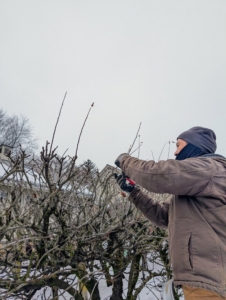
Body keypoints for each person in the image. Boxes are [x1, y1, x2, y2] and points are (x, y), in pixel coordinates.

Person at [115, 126, 226, 300]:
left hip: (211, 281)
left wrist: (125, 161)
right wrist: (134, 192)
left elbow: (160, 176)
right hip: (202, 280)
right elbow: (164, 216)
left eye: (178, 145)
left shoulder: (209, 168)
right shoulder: (196, 186)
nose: (175, 153)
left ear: (193, 147)